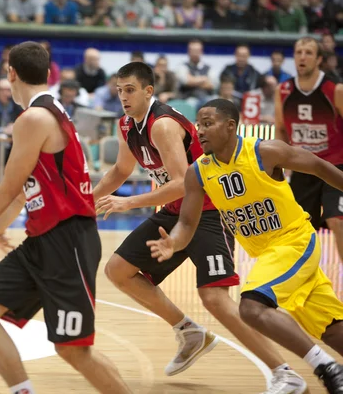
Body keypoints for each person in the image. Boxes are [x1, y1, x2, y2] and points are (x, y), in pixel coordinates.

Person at [94, 62, 305, 393]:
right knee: (118, 270)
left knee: (215, 299)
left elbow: (181, 184)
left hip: (208, 211)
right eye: (119, 90)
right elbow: (121, 170)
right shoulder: (125, 124)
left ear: (149, 91)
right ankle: (189, 332)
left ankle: (285, 371)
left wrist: (128, 202)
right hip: (174, 214)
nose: (123, 96)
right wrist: (84, 201)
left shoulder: (162, 125)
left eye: (130, 90)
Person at [0, 41, 132, 394]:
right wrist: (0, 227)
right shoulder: (52, 110)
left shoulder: (33, 118)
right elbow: (25, 186)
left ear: (10, 72)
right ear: (47, 74)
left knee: (73, 349)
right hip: (44, 239)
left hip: (68, 241)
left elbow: (9, 184)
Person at [148, 98, 343, 394]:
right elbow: (187, 224)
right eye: (198, 124)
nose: (199, 130)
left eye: (208, 123)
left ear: (230, 126)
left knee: (251, 307)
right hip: (268, 255)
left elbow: (317, 165)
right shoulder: (198, 172)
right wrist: (173, 243)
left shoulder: (264, 152)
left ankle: (325, 367)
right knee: (333, 329)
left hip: (294, 241)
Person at [274, 36, 343, 265]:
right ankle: (300, 279)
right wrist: (278, 168)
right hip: (303, 167)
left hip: (335, 166)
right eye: (298, 52)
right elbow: (281, 131)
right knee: (298, 227)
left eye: (308, 53)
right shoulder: (283, 90)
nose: (302, 57)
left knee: (337, 220)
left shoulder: (335, 89)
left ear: (319, 59)